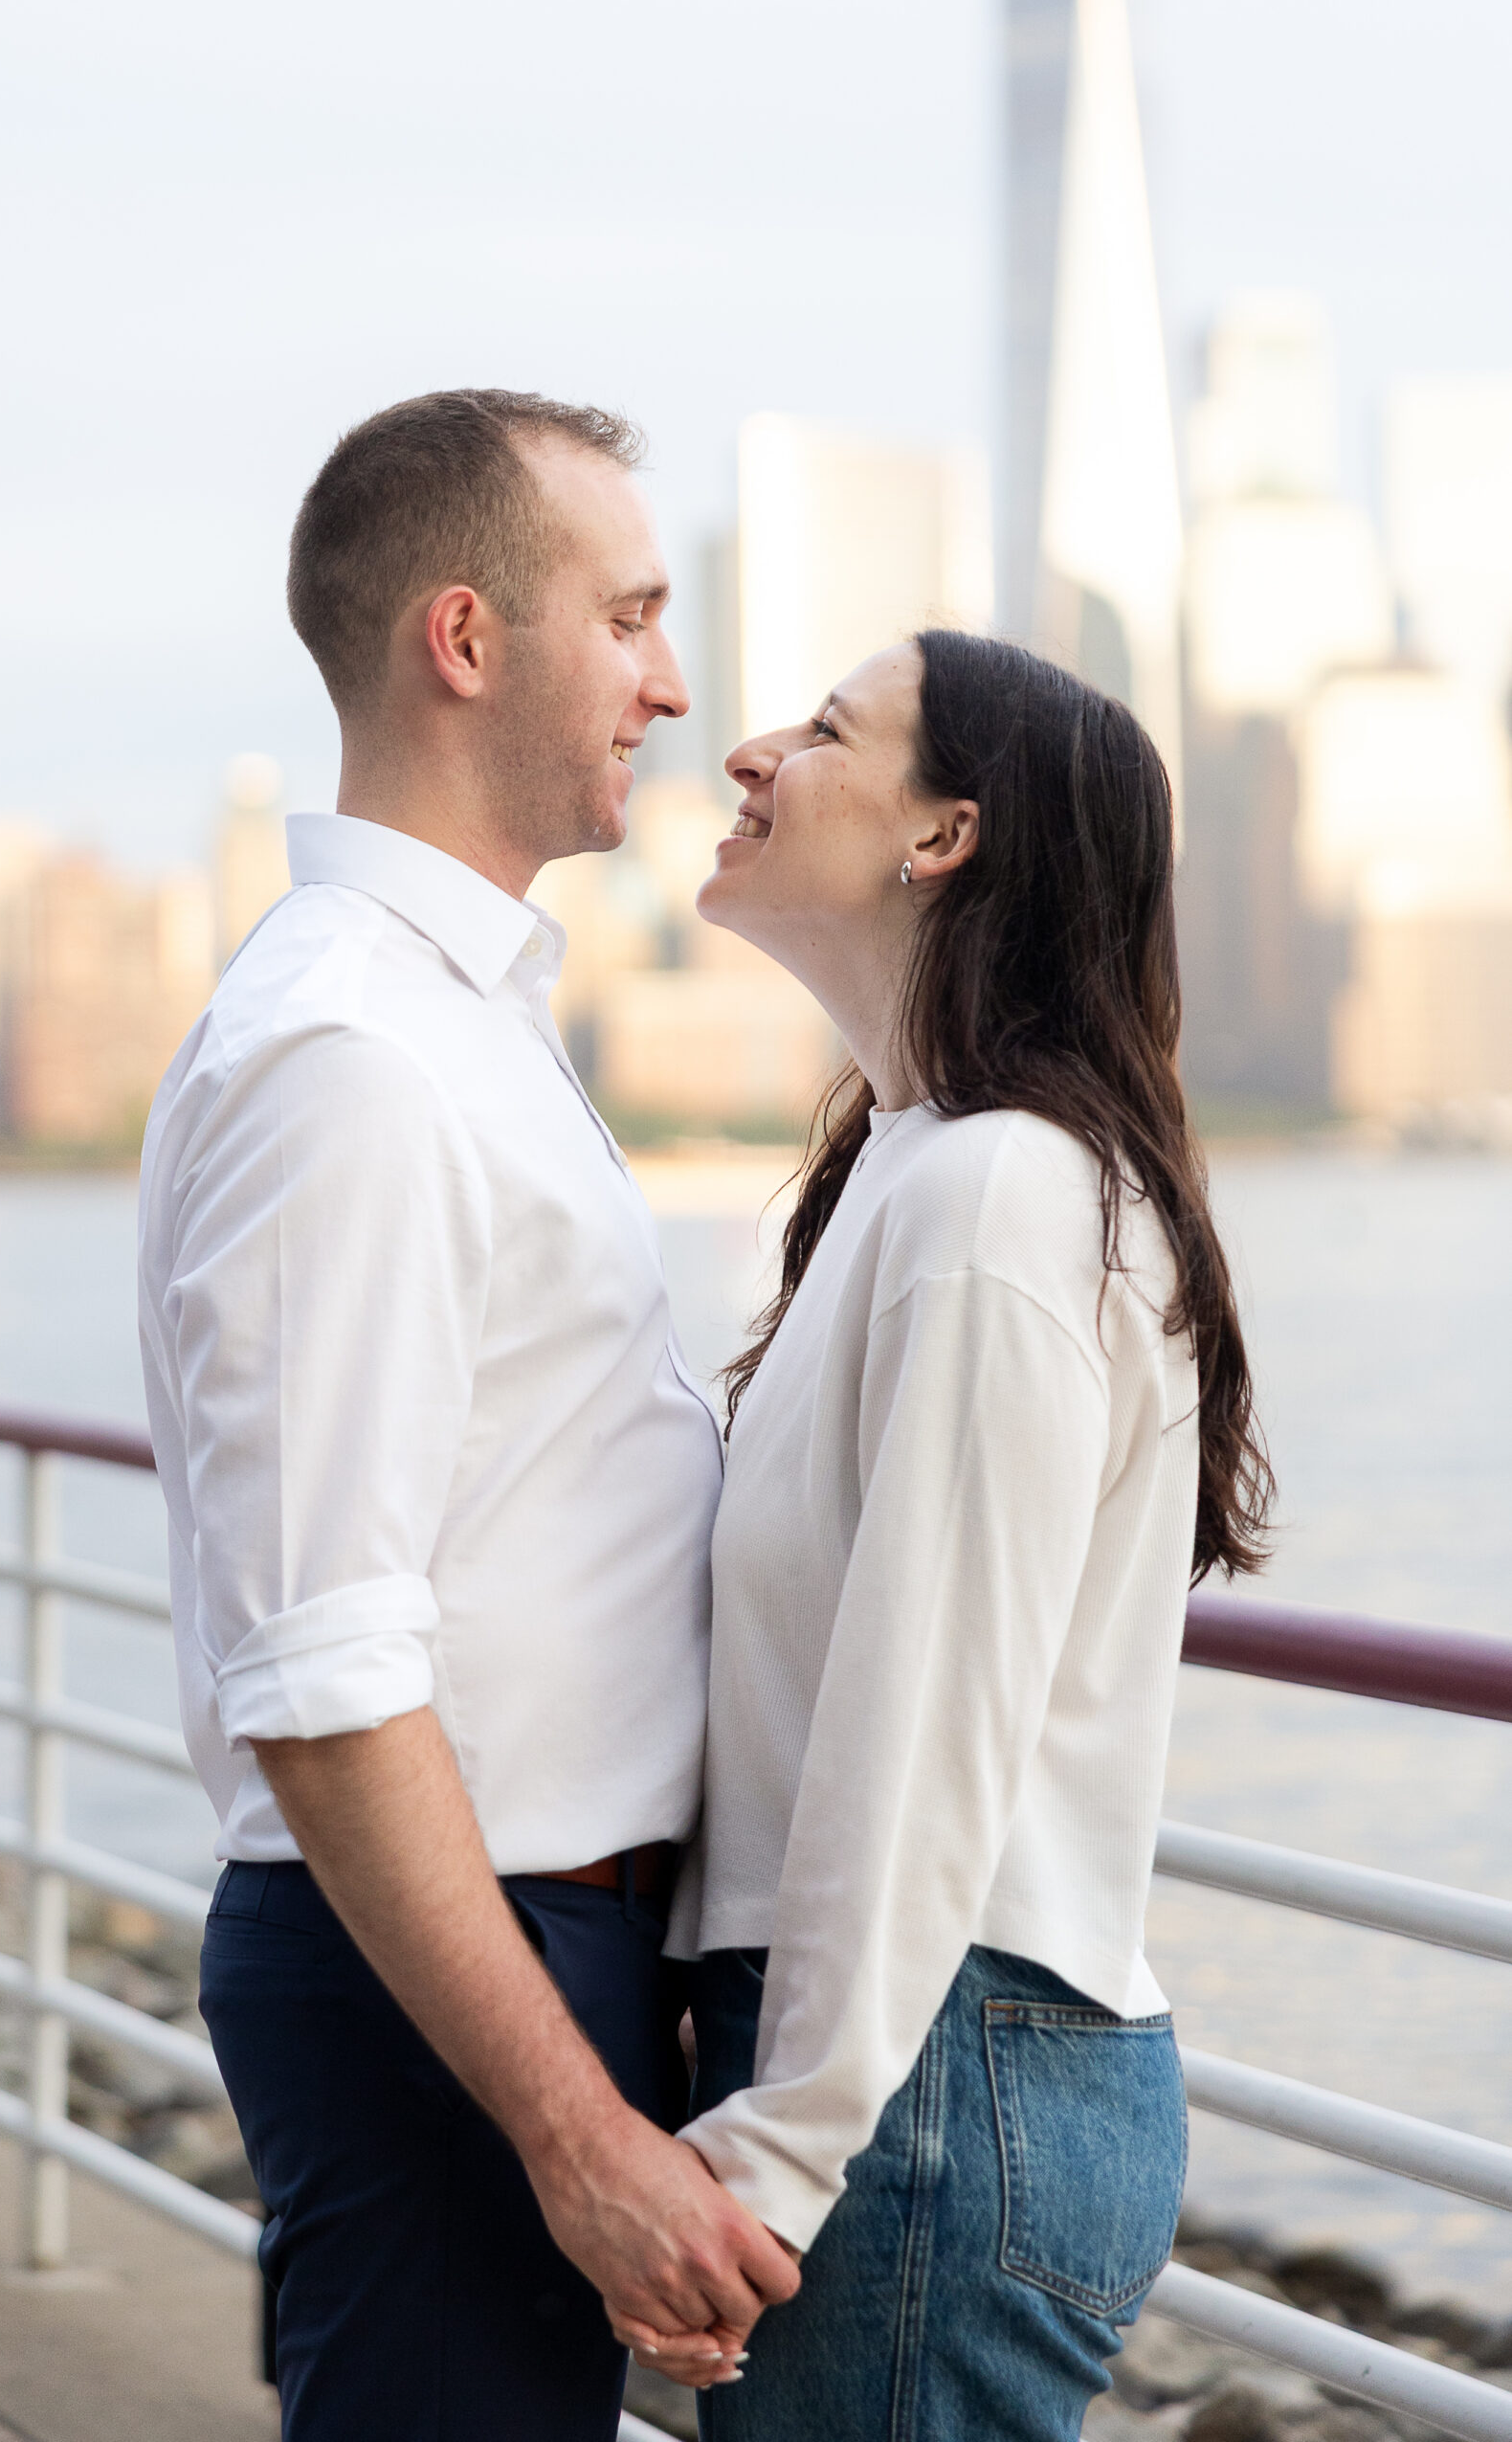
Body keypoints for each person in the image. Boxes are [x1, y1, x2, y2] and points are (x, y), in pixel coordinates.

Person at [137, 388, 796, 2442]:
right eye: (628, 616)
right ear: (462, 637)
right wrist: (575, 2128)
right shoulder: (349, 1054)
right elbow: (323, 1667)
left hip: (525, 1949)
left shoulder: (454, 1020)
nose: (669, 684)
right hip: (456, 1972)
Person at [611, 631, 1272, 2437]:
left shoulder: (1004, 1194)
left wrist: (781, 2153)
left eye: (826, 732)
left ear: (945, 837)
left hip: (930, 2082)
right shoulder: (924, 1163)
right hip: (911, 2059)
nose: (746, 751)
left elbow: (921, 1731)